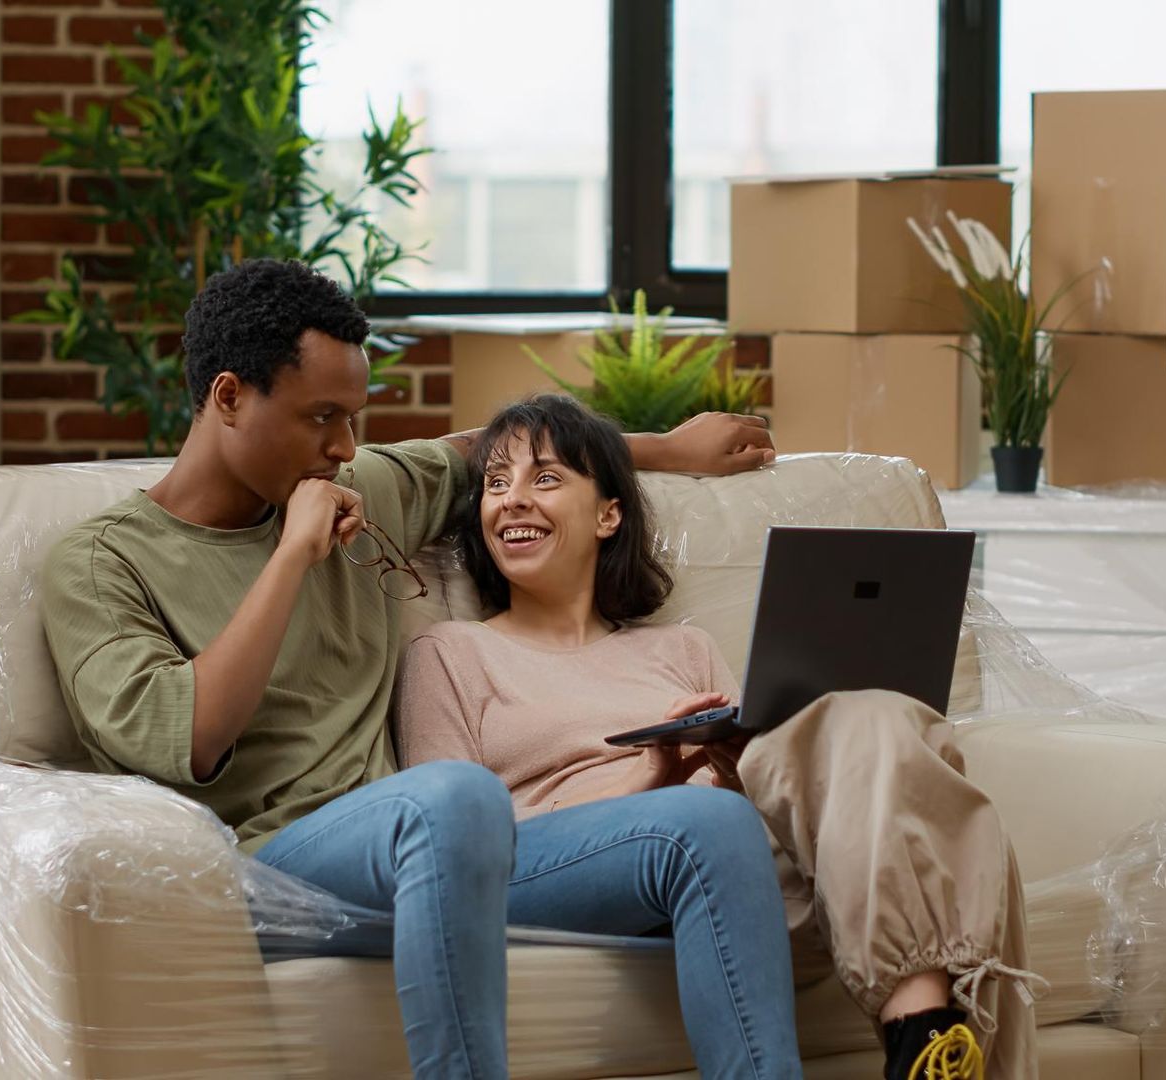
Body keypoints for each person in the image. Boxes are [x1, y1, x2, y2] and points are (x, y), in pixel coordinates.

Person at [40, 260, 805, 1078]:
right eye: (322, 418)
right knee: (454, 795)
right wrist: (293, 553)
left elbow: (474, 452)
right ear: (229, 398)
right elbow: (192, 736)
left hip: (443, 865)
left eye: (355, 418)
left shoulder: (356, 484)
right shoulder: (99, 563)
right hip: (269, 876)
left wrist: (667, 448)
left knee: (714, 829)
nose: (345, 446)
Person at [397, 395, 1046, 1080]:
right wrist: (643, 788)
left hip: (727, 871)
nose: (512, 501)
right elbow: (448, 843)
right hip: (564, 870)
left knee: (882, 720)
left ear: (608, 514)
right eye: (496, 483)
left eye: (546, 478)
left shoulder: (682, 649)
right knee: (706, 816)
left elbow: (740, 817)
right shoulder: (449, 652)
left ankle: (923, 1036)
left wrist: (735, 771)